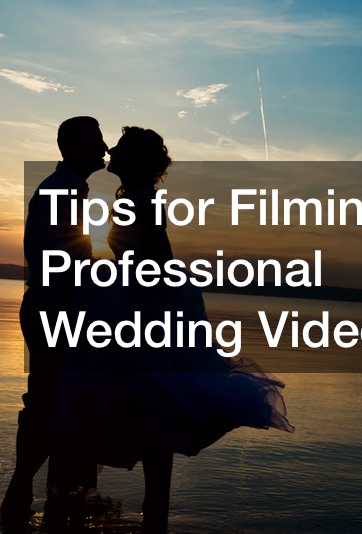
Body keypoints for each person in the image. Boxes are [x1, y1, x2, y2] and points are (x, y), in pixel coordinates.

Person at [48, 126, 294, 533]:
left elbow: (156, 260)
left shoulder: (141, 201)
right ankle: (153, 515)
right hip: (143, 307)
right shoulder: (135, 198)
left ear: (136, 159)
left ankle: (153, 513)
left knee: (154, 411)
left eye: (120, 147)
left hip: (150, 312)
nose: (111, 150)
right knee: (149, 414)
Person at [1, 116, 108, 530]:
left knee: (57, 404)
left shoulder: (68, 188)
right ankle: (24, 492)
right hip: (52, 309)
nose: (104, 149)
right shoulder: (60, 190)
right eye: (97, 141)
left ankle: (48, 496)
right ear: (76, 147)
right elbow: (56, 261)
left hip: (57, 308)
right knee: (47, 403)